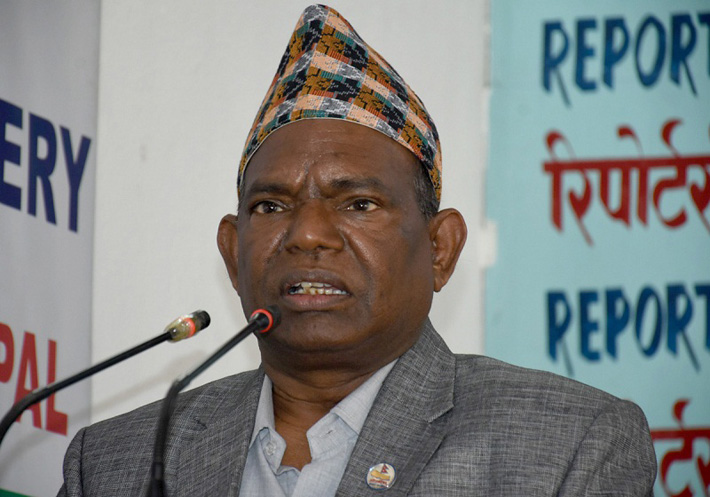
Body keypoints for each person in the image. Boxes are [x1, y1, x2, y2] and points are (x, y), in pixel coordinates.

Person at [58, 4, 657, 496]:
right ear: (232, 252)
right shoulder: (115, 462)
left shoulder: (568, 446)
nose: (307, 234)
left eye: (359, 203)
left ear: (441, 249)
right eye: (271, 206)